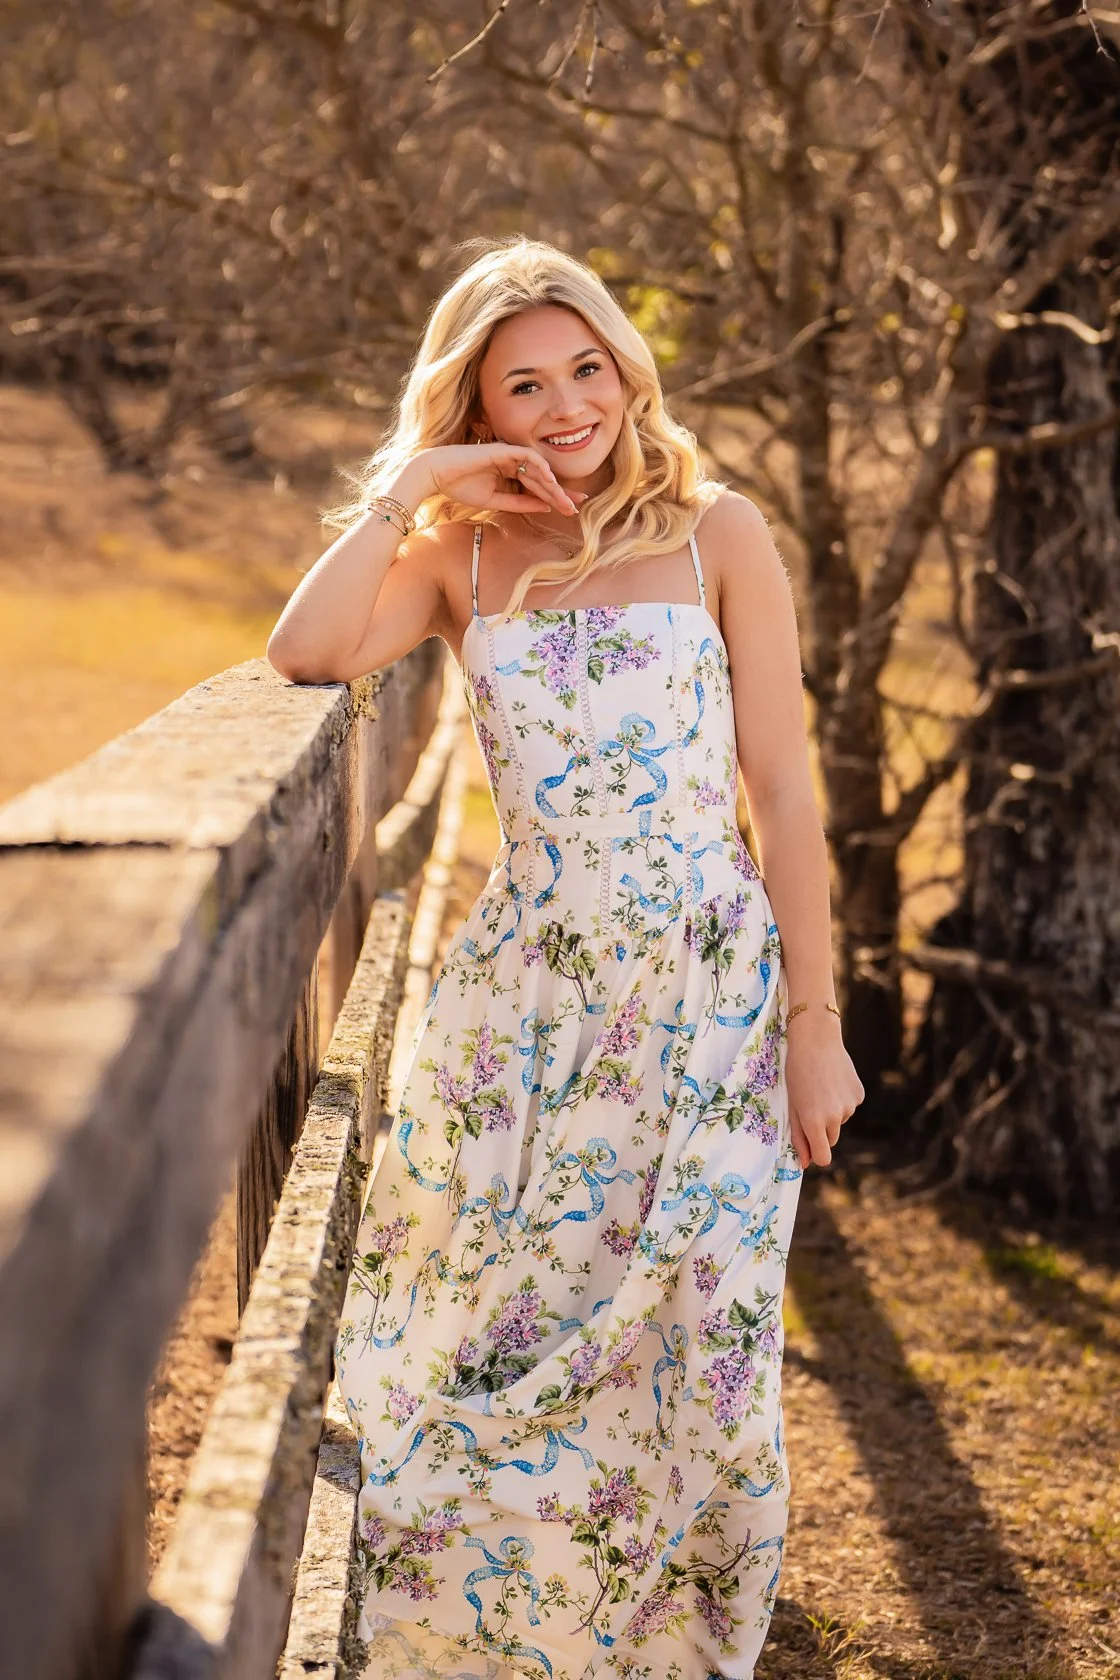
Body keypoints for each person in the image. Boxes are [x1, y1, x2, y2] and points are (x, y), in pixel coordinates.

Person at [267, 236, 863, 1680]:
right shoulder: (456, 558)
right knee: (508, 1334)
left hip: (715, 1003)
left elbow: (782, 789)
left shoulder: (720, 532)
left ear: (623, 365)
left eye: (584, 367)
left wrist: (815, 1021)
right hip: (529, 1017)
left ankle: (664, 1643)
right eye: (521, 385)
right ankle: (494, 1636)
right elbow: (304, 651)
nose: (566, 405)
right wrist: (412, 489)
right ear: (477, 408)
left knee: (705, 1349)